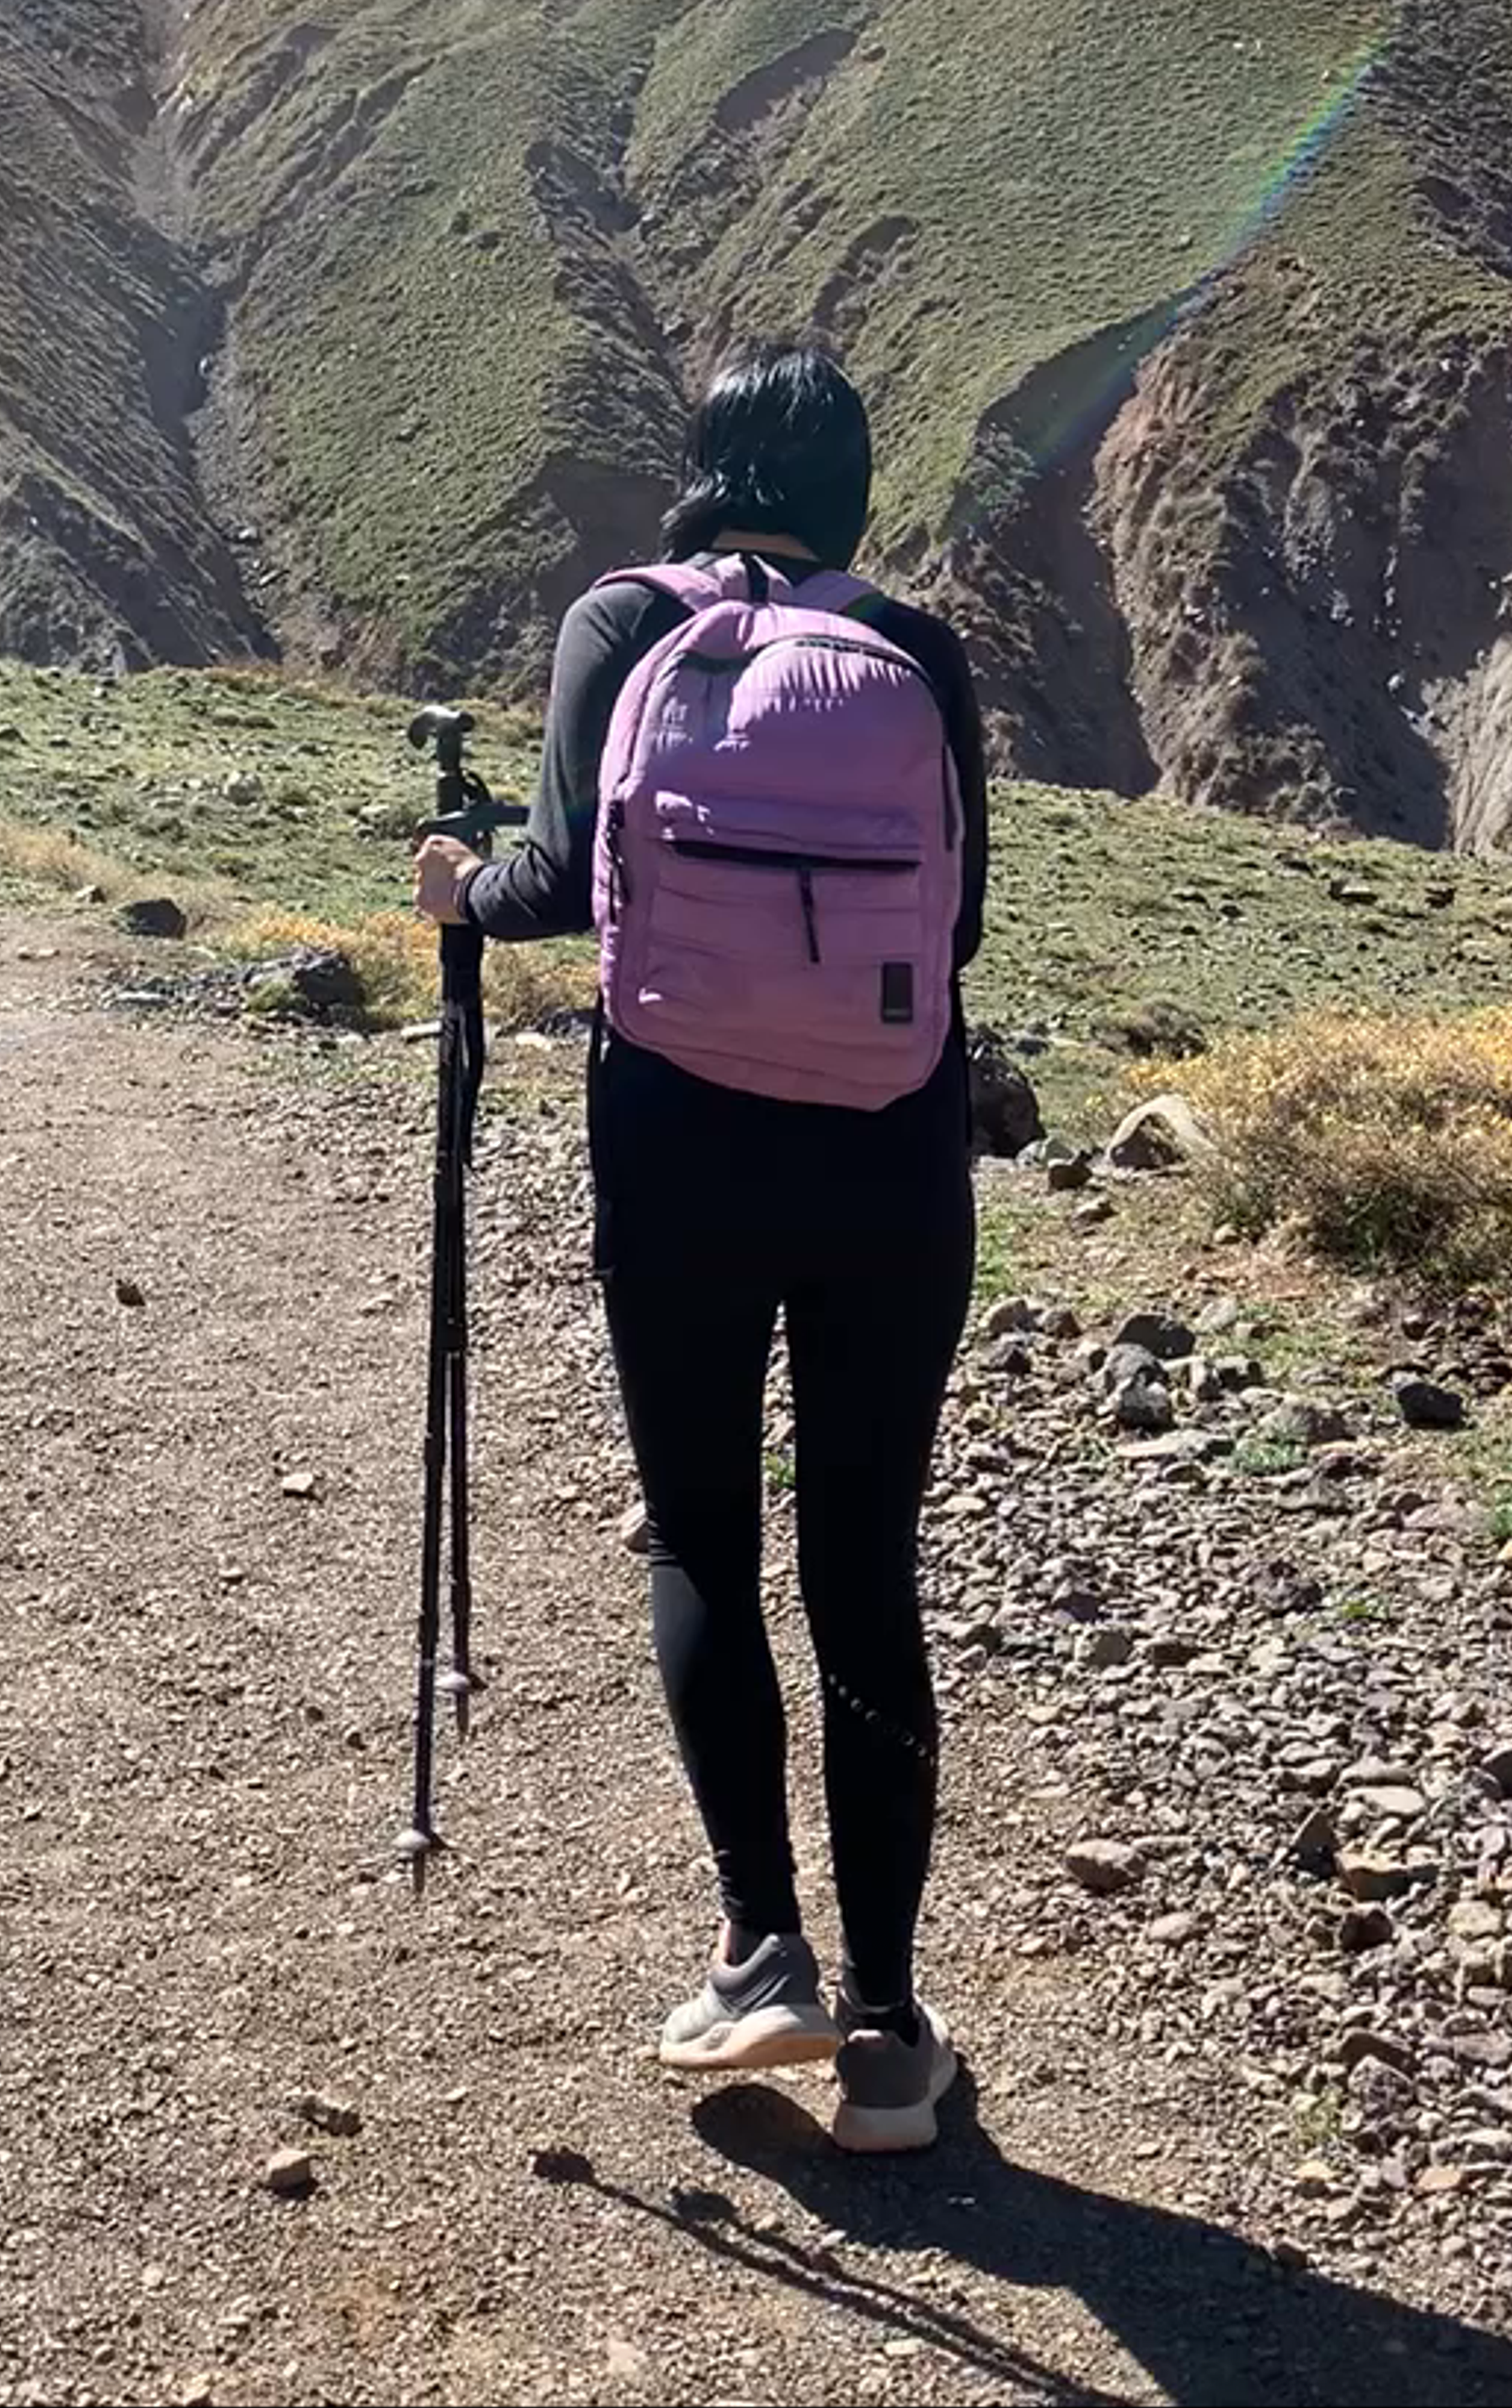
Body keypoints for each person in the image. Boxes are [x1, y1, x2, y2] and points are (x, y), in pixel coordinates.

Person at [415, 343, 986, 2153]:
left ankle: (764, 1952)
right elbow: (961, 919)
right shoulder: (921, 648)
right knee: (865, 1561)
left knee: (704, 1532)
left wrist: (455, 890)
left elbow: (564, 876)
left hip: (677, 1137)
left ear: (709, 467)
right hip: (891, 1148)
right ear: (848, 493)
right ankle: (893, 2035)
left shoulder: (617, 622)